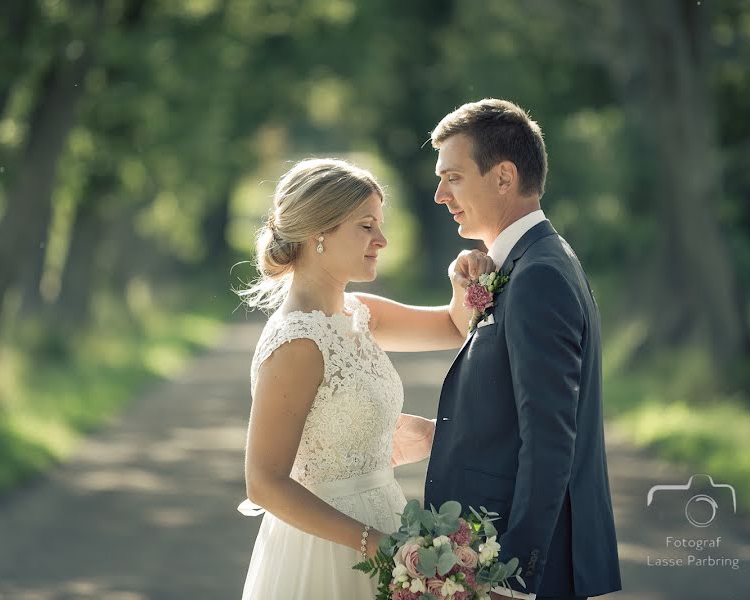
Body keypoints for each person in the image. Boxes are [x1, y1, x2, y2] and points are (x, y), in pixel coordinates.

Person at [236, 158, 493, 599]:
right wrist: (376, 544)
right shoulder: (297, 342)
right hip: (327, 548)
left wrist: (461, 281)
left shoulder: (357, 313)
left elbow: (453, 327)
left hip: (387, 521)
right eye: (367, 226)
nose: (383, 240)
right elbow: (264, 483)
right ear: (320, 231)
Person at [423, 99, 622, 600]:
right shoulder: (530, 262)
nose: (440, 195)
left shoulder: (539, 276)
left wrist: (516, 572)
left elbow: (551, 438)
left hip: (531, 565)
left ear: (504, 177)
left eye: (454, 177)